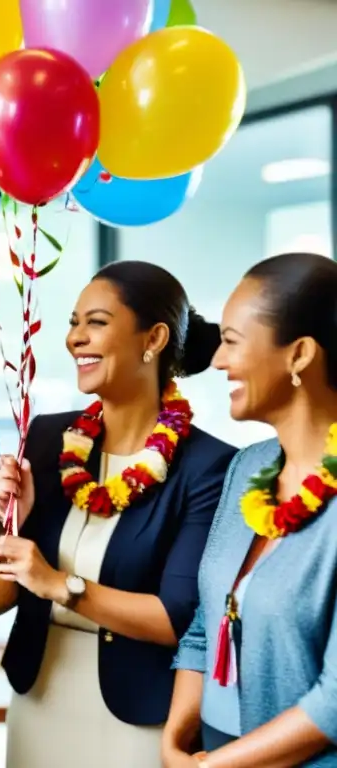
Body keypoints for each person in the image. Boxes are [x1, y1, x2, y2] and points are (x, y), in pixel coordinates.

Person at [0, 261, 235, 766]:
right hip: (41, 700)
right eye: (73, 323)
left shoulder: (208, 466)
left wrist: (58, 584)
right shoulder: (50, 438)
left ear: (154, 338)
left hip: (138, 718)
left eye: (95, 322)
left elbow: (175, 618)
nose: (75, 339)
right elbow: (11, 579)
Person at [163, 252, 337, 767]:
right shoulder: (248, 467)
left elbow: (334, 702)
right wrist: (175, 741)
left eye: (233, 342)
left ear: (299, 354)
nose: (217, 360)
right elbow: (204, 622)